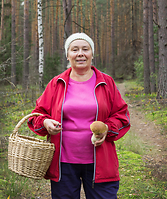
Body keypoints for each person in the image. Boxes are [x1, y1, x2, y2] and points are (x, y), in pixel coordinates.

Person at [28, 32, 130, 199]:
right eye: (75, 49)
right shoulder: (56, 83)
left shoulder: (106, 82)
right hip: (63, 163)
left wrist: (107, 129)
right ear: (68, 55)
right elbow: (36, 115)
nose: (80, 53)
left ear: (92, 54)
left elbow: (122, 116)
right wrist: (45, 122)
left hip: (101, 163)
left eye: (85, 49)